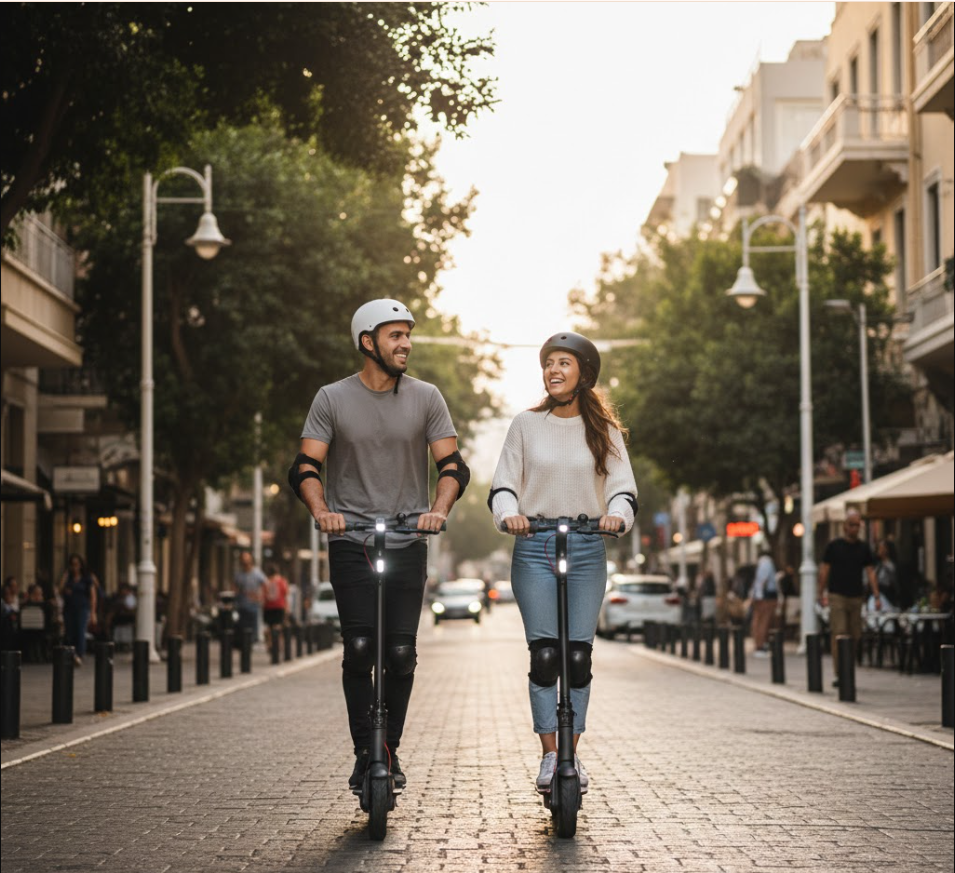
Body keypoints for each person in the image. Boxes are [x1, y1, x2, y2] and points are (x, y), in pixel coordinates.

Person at [289, 298, 469, 792]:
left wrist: (439, 510)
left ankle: (388, 748)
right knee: (361, 649)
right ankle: (364, 752)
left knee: (400, 652)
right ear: (367, 342)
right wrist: (322, 511)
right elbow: (305, 467)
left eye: (408, 334)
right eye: (395, 335)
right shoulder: (331, 398)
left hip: (410, 538)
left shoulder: (427, 397)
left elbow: (453, 466)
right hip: (351, 541)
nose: (406, 343)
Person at [488, 331, 637, 796]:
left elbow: (622, 487)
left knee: (577, 657)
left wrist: (618, 516)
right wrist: (508, 514)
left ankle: (573, 748)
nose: (553, 370)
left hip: (588, 545)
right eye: (549, 363)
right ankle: (551, 755)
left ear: (584, 375)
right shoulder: (526, 425)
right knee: (547, 654)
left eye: (563, 364)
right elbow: (504, 483)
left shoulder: (605, 432)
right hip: (534, 545)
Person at [817, 510, 879, 686]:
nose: (854, 528)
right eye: (851, 524)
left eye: (857, 525)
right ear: (844, 526)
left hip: (856, 596)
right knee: (840, 632)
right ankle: (840, 674)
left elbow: (870, 572)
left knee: (855, 635)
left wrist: (876, 595)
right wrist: (820, 592)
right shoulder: (834, 546)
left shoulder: (863, 548)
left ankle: (848, 668)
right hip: (837, 595)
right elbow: (825, 570)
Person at [58, 554, 99, 666]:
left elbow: (93, 596)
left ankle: (79, 655)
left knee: (80, 631)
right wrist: (66, 575)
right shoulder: (68, 578)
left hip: (82, 608)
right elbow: (60, 590)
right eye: (72, 564)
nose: (75, 567)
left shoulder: (87, 578)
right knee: (70, 633)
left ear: (81, 565)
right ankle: (72, 655)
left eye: (77, 564)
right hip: (69, 609)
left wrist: (93, 613)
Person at [749, 550, 778, 656]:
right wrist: (759, 596)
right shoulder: (767, 562)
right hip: (765, 597)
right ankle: (760, 646)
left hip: (762, 597)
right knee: (763, 621)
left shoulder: (762, 563)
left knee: (760, 621)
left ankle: (761, 645)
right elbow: (762, 580)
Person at [233, 551, 266, 643]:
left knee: (252, 629)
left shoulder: (257, 573)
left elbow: (266, 585)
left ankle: (250, 644)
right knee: (242, 627)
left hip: (253, 605)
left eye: (246, 559)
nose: (245, 561)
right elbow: (234, 588)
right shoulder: (238, 574)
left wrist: (261, 597)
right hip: (241, 605)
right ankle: (244, 644)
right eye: (243, 559)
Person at [262, 563, 290, 646]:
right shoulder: (282, 581)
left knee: (269, 627)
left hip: (268, 607)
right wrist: (287, 607)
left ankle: (269, 643)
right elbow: (286, 594)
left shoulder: (266, 581)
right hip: (279, 606)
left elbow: (263, 594)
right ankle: (278, 644)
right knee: (278, 626)